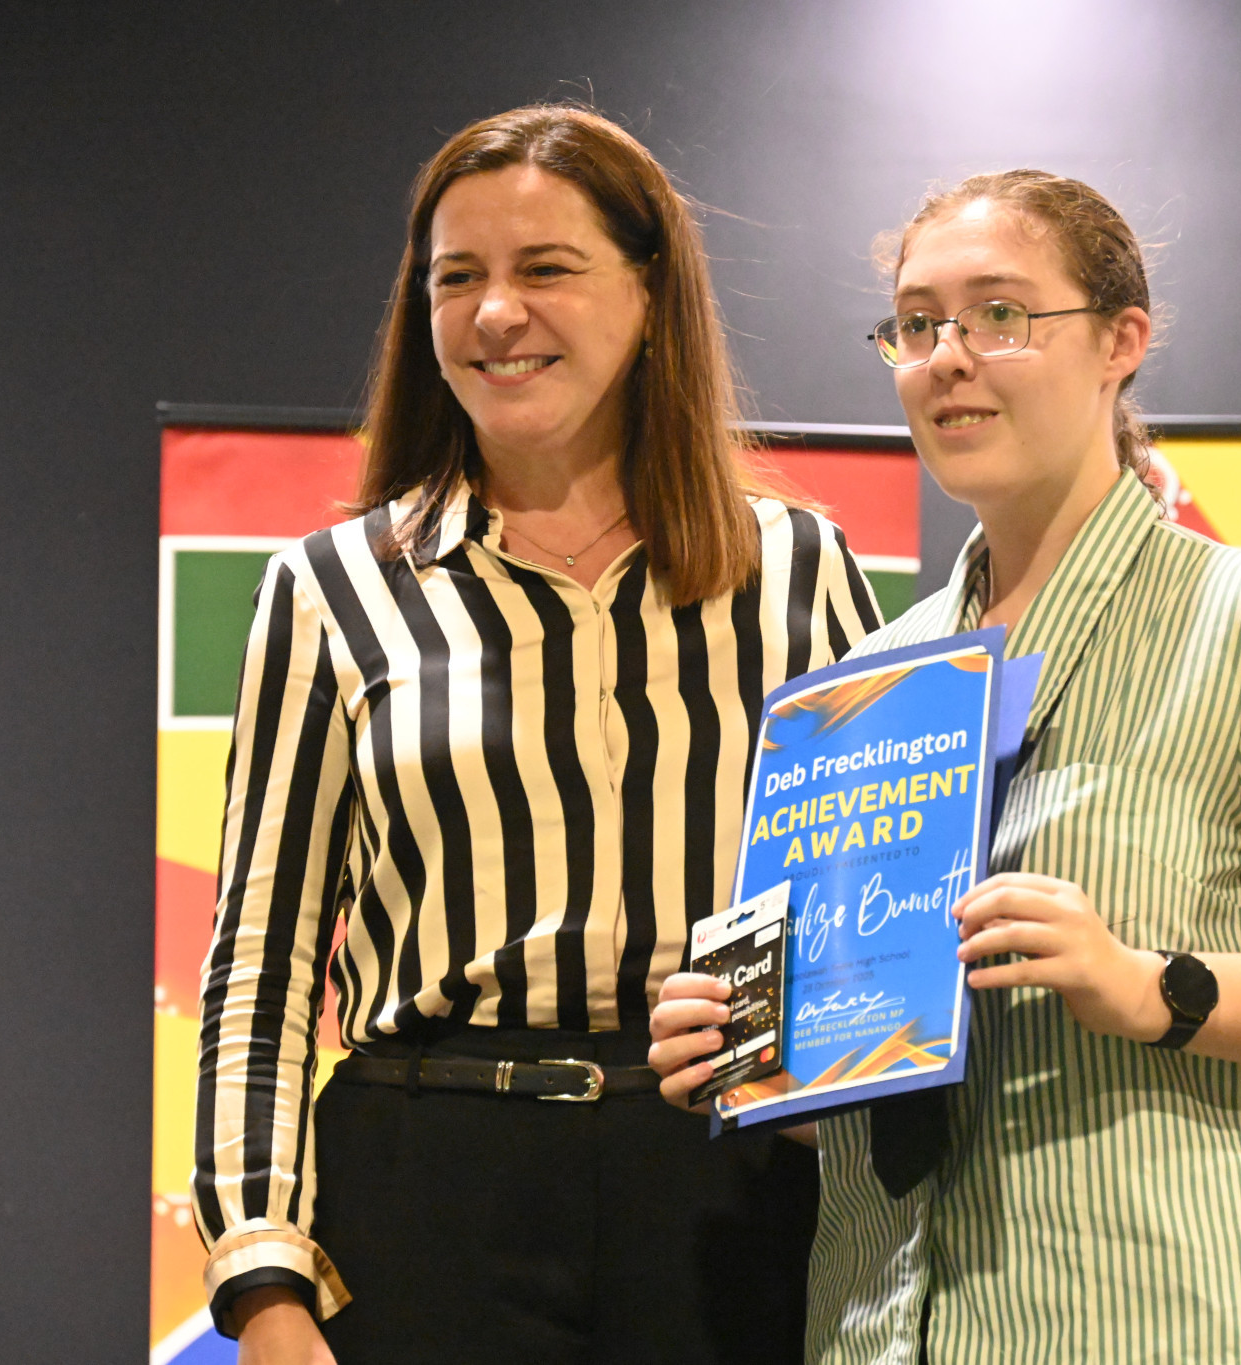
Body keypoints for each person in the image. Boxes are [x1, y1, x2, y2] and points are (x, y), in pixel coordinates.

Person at [649, 170, 1241, 1363]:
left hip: (1174, 1324)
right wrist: (752, 1054)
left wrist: (1146, 986)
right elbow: (881, 1080)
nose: (947, 356)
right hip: (889, 1330)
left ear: (1118, 343)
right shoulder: (867, 681)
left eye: (998, 316)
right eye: (916, 323)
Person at [193, 105, 882, 1365]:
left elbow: (867, 902)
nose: (494, 313)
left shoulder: (798, 566)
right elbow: (263, 961)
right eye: (457, 278)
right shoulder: (330, 588)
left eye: (545, 269)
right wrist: (262, 1283)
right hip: (425, 1190)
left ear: (651, 295)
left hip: (731, 1187)